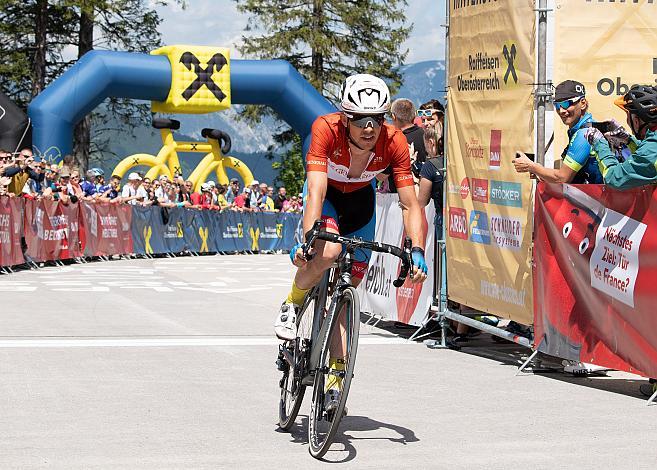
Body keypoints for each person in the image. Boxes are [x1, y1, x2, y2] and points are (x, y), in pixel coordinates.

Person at [273, 74, 428, 410]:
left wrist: (416, 250)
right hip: (327, 197)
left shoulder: (394, 142)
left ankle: (335, 379)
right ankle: (293, 303)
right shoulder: (325, 128)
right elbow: (315, 189)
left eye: (376, 119)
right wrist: (310, 237)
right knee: (329, 251)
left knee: (347, 290)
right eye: (359, 120)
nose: (369, 128)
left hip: (361, 204)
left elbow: (410, 203)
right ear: (345, 117)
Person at [514, 80, 604, 184]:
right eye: (557, 105)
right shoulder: (587, 127)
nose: (561, 110)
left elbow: (562, 178)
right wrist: (541, 173)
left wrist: (532, 166)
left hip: (602, 199)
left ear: (582, 103)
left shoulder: (584, 134)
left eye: (566, 104)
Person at [584, 85, 657, 189]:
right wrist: (629, 140)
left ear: (636, 120)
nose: (627, 121)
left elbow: (613, 178)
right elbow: (648, 158)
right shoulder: (652, 146)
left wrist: (599, 144)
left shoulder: (650, 151)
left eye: (628, 115)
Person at [379, 98, 429, 192]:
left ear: (393, 117)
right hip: (426, 195)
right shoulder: (427, 136)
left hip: (399, 197)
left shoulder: (394, 141)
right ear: (414, 115)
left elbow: (382, 176)